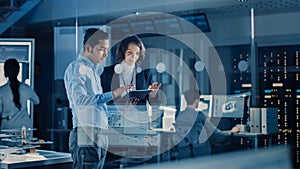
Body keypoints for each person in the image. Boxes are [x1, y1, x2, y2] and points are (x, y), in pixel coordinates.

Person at [64, 28, 133, 169]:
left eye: (107, 49)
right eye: (102, 49)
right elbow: (81, 101)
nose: (105, 54)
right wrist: (113, 94)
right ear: (88, 48)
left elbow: (97, 105)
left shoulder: (93, 72)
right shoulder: (77, 68)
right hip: (86, 133)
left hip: (99, 133)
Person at [174, 89, 240, 159]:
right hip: (200, 155)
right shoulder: (199, 116)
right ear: (196, 101)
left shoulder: (178, 115)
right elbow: (217, 134)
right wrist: (231, 132)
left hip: (184, 154)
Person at [100, 35, 161, 106]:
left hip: (138, 115)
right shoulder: (107, 72)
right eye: (130, 53)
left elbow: (156, 104)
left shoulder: (145, 74)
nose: (134, 57)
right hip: (114, 115)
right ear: (123, 52)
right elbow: (101, 99)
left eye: (137, 54)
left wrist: (152, 95)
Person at [0, 58, 40, 129]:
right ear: (18, 71)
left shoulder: (2, 90)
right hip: (24, 127)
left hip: (7, 127)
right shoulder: (26, 88)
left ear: (5, 71)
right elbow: (37, 101)